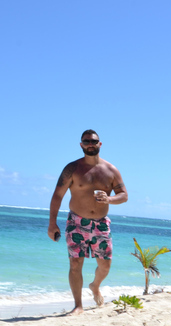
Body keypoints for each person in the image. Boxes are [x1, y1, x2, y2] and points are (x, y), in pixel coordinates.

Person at [48, 130, 128, 315]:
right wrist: (52, 223)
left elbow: (124, 196)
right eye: (86, 141)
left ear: (100, 144)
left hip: (101, 224)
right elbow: (57, 196)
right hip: (76, 222)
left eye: (93, 141)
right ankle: (78, 306)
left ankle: (95, 285)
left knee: (105, 266)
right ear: (81, 145)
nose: (90, 144)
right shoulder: (72, 169)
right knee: (75, 264)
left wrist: (109, 199)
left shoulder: (111, 170)